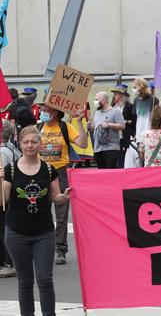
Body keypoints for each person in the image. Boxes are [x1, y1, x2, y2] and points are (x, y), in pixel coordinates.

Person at [1, 125, 72, 316]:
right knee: (25, 281)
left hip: (44, 233)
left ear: (40, 144)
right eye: (26, 142)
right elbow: (3, 200)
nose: (30, 146)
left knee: (45, 279)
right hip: (16, 234)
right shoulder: (11, 170)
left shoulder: (49, 170)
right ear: (20, 143)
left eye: (34, 142)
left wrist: (63, 198)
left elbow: (54, 196)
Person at [38, 105, 87, 265]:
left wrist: (79, 122)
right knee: (39, 214)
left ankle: (60, 250)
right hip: (41, 175)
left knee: (61, 216)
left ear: (56, 112)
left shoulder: (65, 127)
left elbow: (83, 143)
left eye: (47, 110)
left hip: (60, 174)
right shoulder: (38, 127)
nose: (43, 113)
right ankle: (40, 248)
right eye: (42, 110)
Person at [0, 119, 21, 278]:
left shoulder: (2, 152)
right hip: (9, 193)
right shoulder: (11, 148)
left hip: (3, 194)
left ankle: (9, 262)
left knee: (3, 230)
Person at [127, 77, 158, 168]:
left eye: (135, 87)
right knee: (141, 159)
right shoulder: (136, 100)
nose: (134, 89)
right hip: (139, 135)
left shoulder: (153, 100)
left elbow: (157, 117)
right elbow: (136, 118)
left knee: (150, 159)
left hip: (150, 134)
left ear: (142, 87)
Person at [93, 91, 126, 169]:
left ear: (103, 100)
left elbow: (122, 126)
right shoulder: (97, 113)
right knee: (101, 173)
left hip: (111, 148)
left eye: (97, 99)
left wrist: (109, 125)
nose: (95, 102)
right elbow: (96, 127)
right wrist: (90, 126)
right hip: (98, 148)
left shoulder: (115, 111)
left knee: (110, 172)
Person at [111, 84, 134, 168]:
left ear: (121, 95)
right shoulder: (113, 107)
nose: (114, 96)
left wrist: (124, 122)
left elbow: (134, 121)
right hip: (114, 137)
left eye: (116, 94)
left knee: (123, 158)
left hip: (124, 136)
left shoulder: (130, 107)